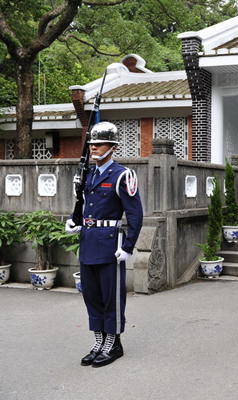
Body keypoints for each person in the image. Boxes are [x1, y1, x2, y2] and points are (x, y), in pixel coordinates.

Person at [65, 121, 143, 368]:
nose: (94, 148)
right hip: (88, 241)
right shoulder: (87, 174)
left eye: (99, 144)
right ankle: (99, 340)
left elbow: (135, 214)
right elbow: (83, 205)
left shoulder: (122, 175)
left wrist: (128, 246)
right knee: (92, 295)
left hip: (110, 243)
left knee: (111, 297)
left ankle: (113, 343)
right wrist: (73, 220)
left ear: (113, 147)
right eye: (91, 144)